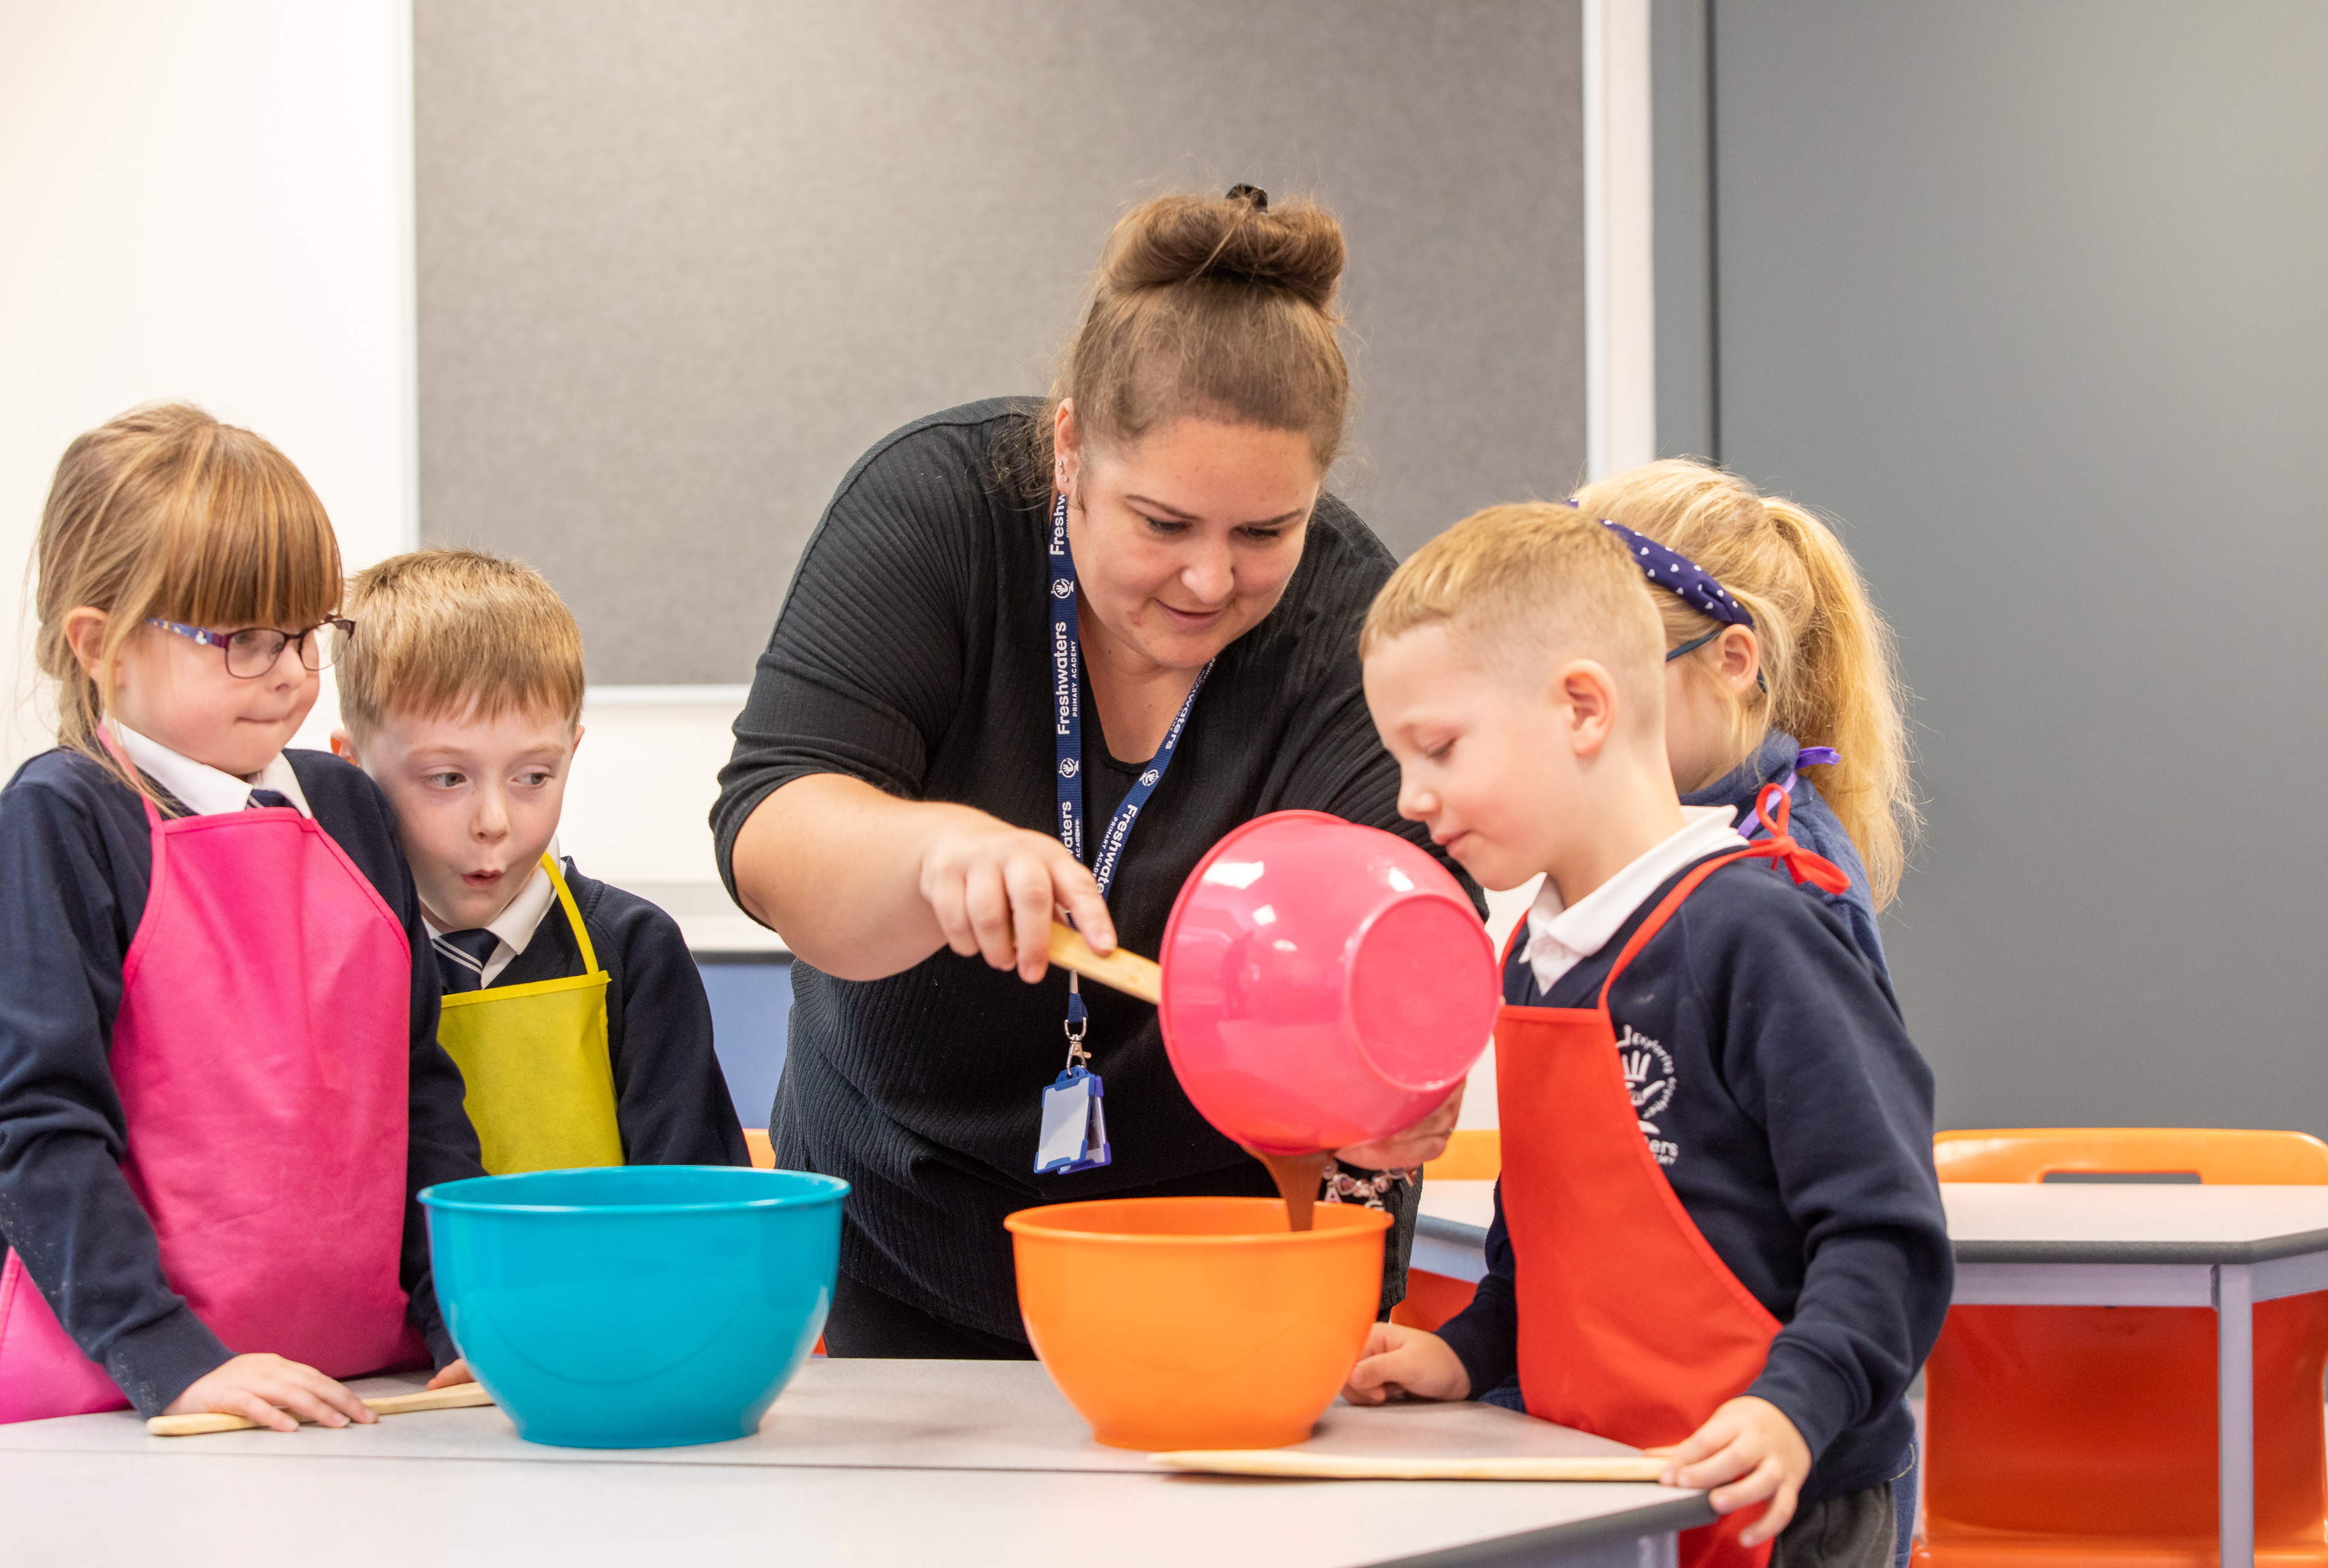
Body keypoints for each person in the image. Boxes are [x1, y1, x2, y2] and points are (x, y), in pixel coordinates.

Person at [710, 185, 1480, 1356]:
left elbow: (1418, 914)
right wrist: (931, 852)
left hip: (1217, 1250)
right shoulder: (937, 514)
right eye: (1162, 524)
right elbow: (773, 834)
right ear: (1070, 447)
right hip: (905, 1223)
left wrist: (1392, 1081)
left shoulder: (1347, 624)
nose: (1210, 582)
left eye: (1266, 533)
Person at [1347, 503, 1949, 1567]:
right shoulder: (1536, 953)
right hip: (1614, 1486)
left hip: (1783, 1504)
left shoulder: (1759, 933)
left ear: (1583, 708)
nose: (1412, 797)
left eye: (1437, 749)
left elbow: (1886, 1234)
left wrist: (1792, 1409)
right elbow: (1546, 1236)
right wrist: (1472, 1349)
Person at [0, 404, 484, 1430]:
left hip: (356, 1380)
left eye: (307, 633)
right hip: (123, 1393)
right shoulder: (60, 819)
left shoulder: (349, 810)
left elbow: (420, 1098)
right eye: (244, 641)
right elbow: (40, 1131)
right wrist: (171, 1358)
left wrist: (465, 1320)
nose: (292, 673)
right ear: (102, 647)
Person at [331, 550, 747, 1173]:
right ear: (351, 766)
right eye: (447, 778)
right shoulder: (334, 959)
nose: (494, 821)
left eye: (533, 777)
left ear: (571, 754)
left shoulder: (635, 952)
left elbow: (693, 1197)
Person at [1567, 461, 1915, 976]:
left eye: (1605, 675)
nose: (1575, 714)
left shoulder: (1795, 884)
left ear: (1730, 662)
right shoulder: (1626, 824)